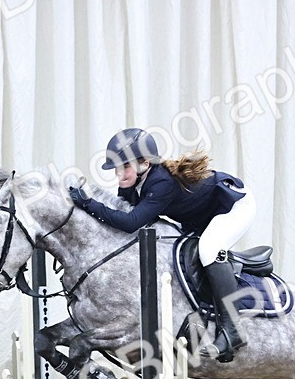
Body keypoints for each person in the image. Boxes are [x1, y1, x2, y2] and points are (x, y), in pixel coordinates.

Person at [68, 128, 255, 363]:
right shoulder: (132, 182)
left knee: (209, 249)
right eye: (117, 168)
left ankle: (233, 330)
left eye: (125, 167)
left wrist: (89, 204)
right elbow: (119, 216)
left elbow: (131, 223)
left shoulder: (161, 182)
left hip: (233, 206)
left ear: (145, 163)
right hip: (201, 216)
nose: (120, 175)